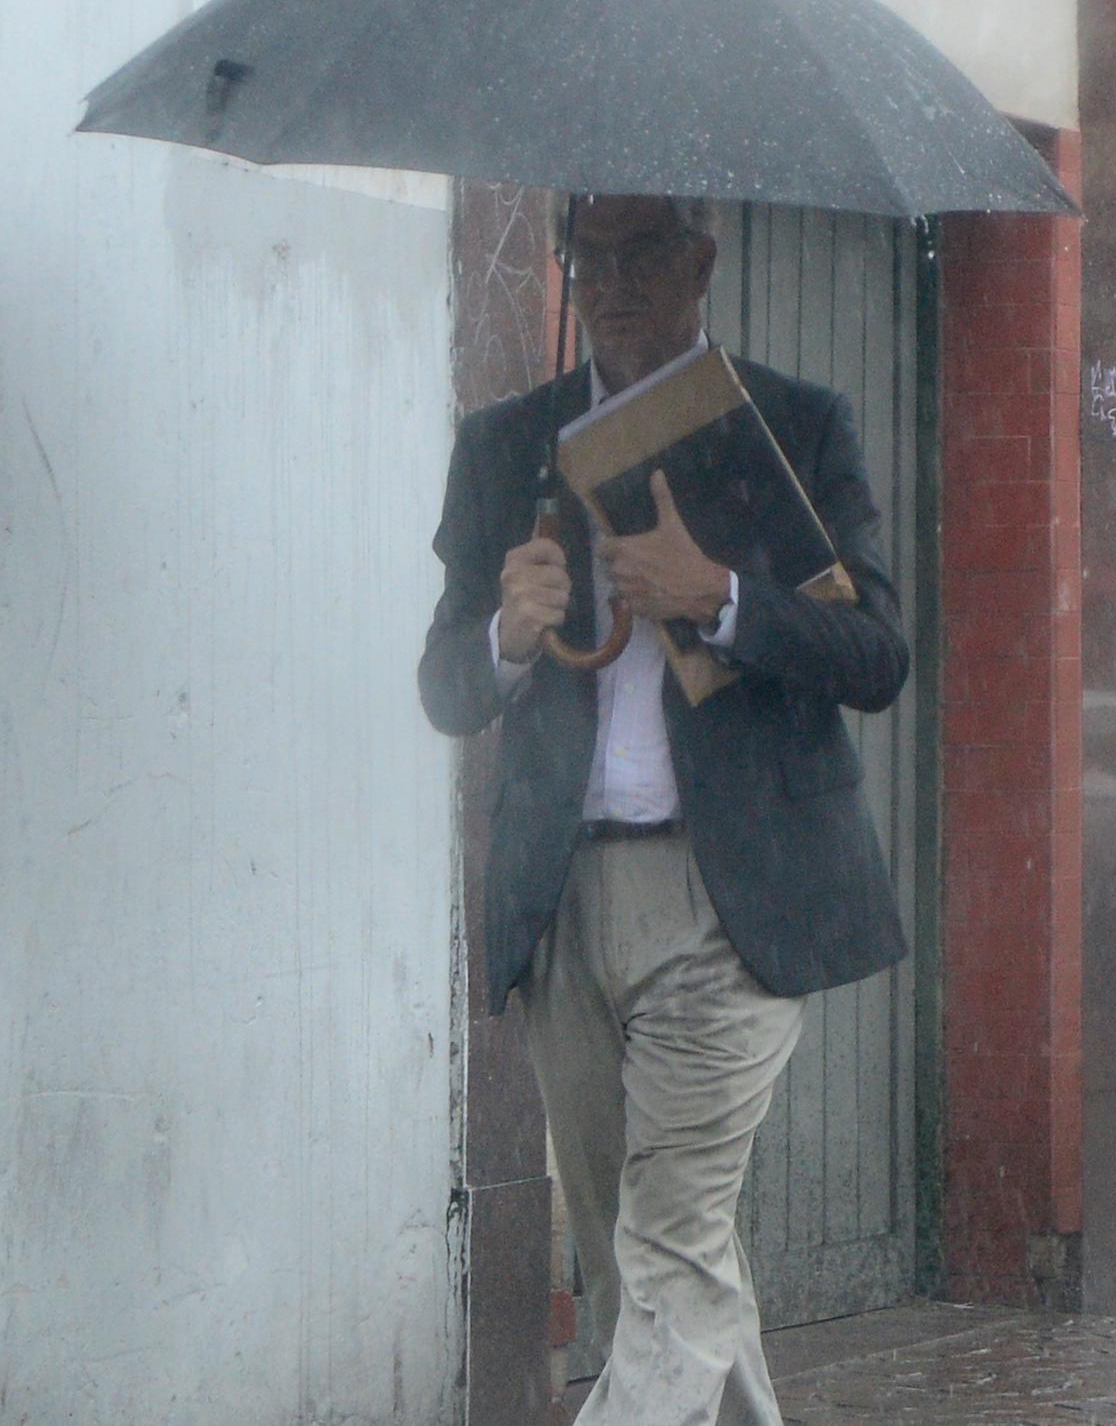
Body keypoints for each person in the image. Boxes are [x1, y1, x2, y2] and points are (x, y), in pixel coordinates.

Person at [418, 193, 909, 1426]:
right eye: (589, 255)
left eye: (643, 253)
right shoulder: (506, 444)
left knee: (672, 1241)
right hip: (566, 896)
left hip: (732, 899)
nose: (611, 281)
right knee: (639, 1261)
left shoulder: (791, 427)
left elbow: (878, 655)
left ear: (703, 259)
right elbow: (445, 687)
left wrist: (724, 595)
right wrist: (508, 634)